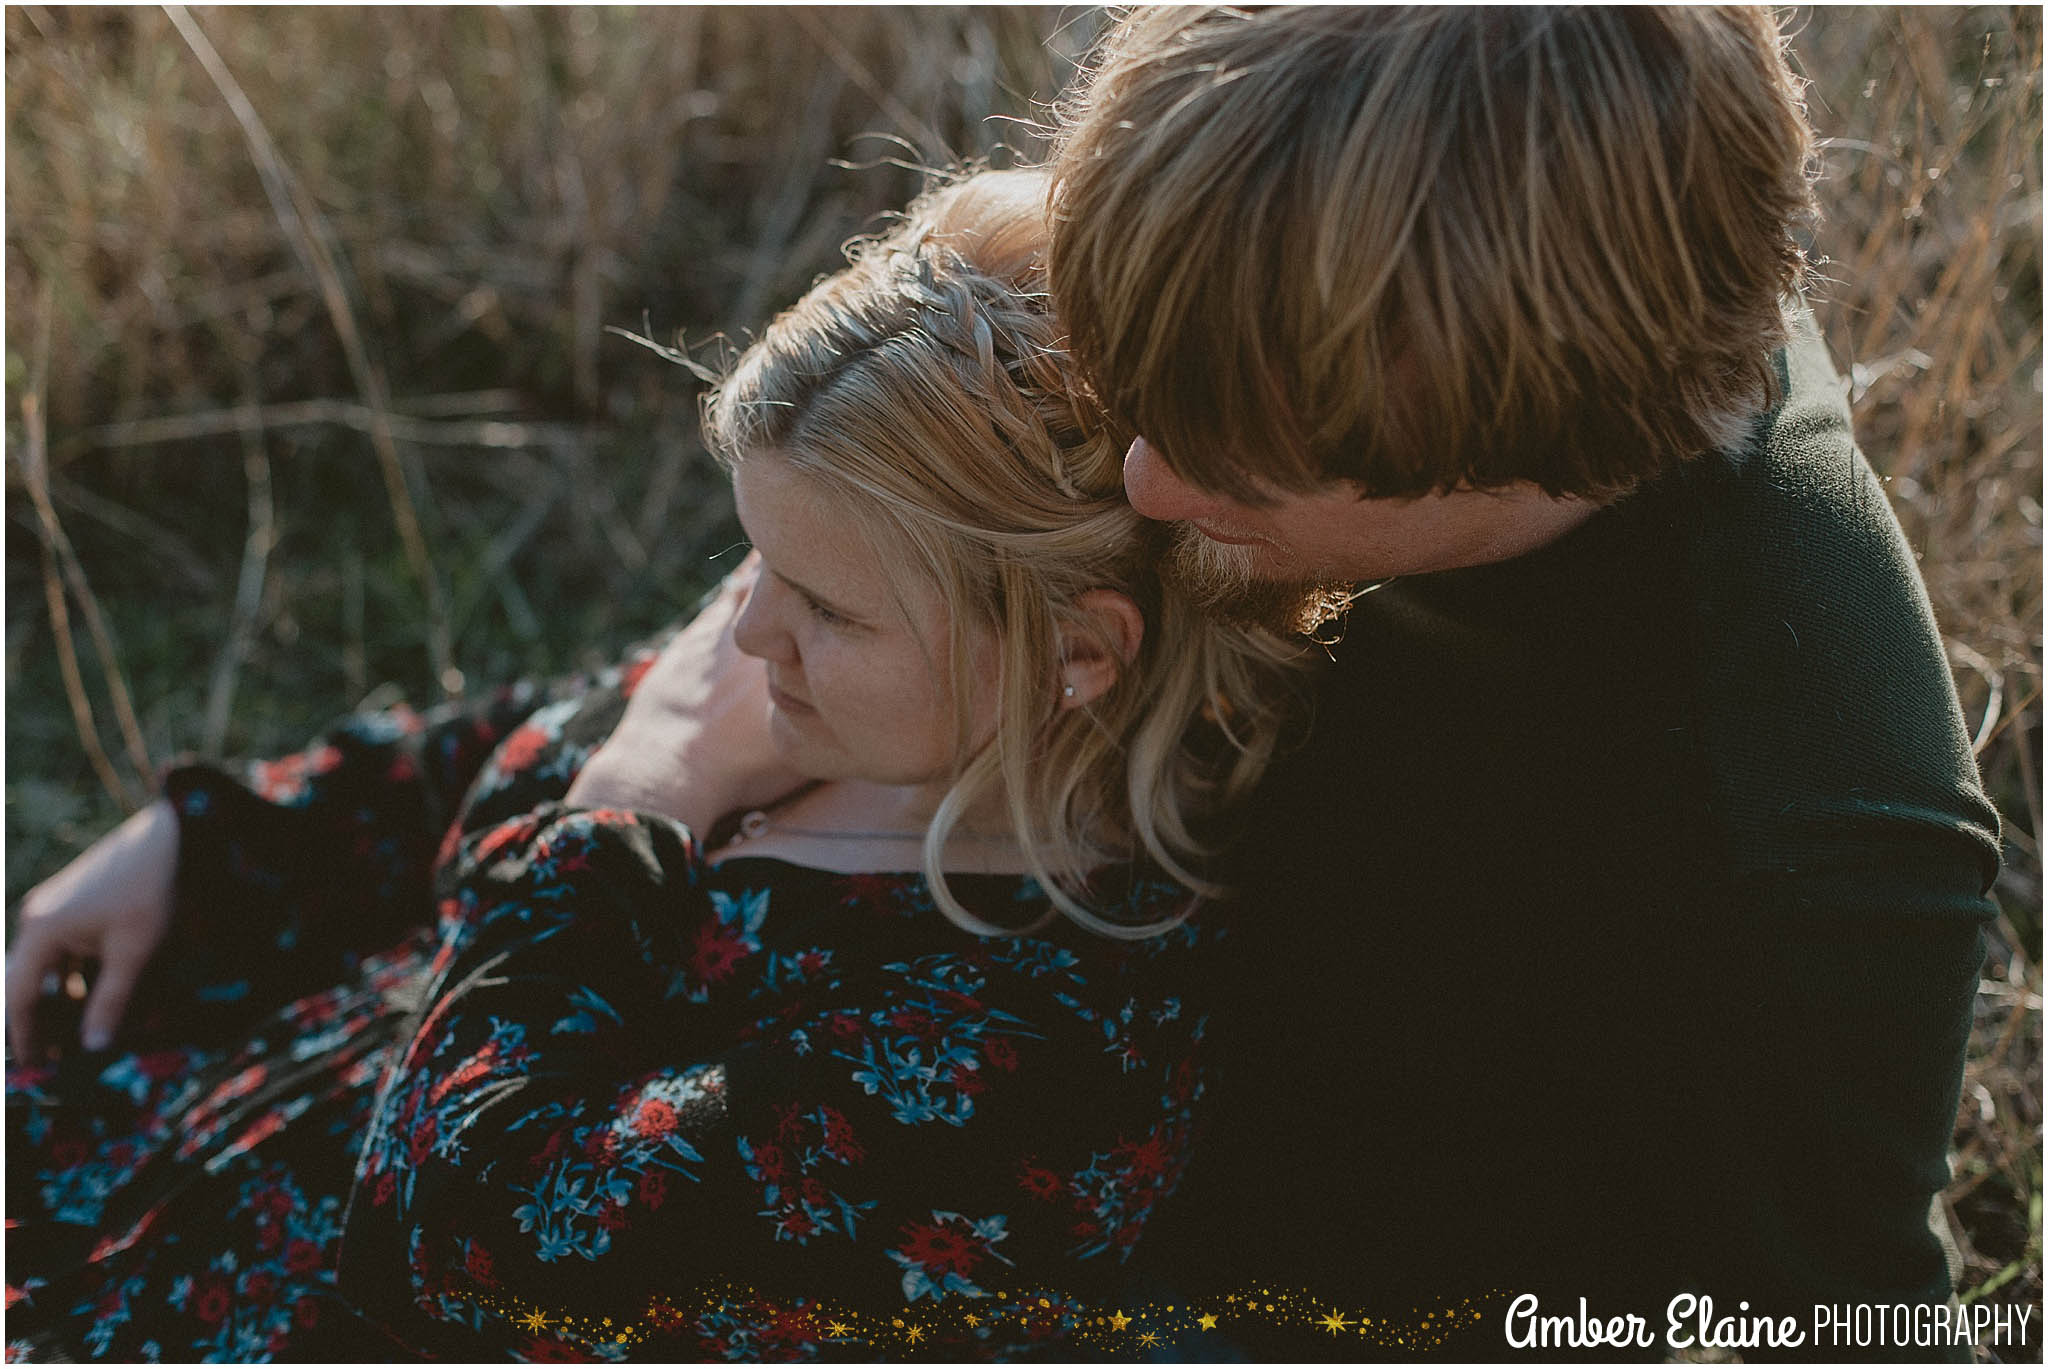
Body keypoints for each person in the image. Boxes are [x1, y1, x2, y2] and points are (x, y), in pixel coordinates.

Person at [4, 169, 1311, 1360]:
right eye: (755, 563)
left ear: (1077, 653)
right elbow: (518, 735)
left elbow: (463, 1241)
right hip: (154, 1132)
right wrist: (216, 839)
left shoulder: (1031, 1052)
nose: (746, 630)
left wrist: (637, 805)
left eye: (825, 610)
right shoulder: (845, 630)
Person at [1043, 5, 2002, 1359]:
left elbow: (1843, 1325)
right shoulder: (1624, 248)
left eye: (1243, 456)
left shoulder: (1783, 868)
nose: (1147, 480)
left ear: (1499, 410)